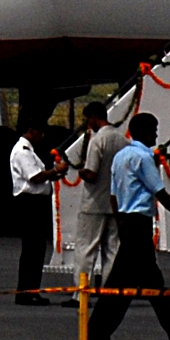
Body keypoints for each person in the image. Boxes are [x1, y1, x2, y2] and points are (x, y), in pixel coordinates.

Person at [86, 112, 170, 340]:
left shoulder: (121, 157)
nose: (156, 134)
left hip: (128, 223)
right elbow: (160, 194)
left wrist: (120, 221)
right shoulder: (143, 158)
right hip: (139, 225)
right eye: (154, 129)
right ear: (143, 132)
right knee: (122, 288)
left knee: (150, 284)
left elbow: (113, 194)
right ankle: (96, 335)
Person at [63, 101, 127, 282]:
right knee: (112, 249)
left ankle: (81, 294)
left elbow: (91, 173)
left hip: (94, 203)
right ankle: (109, 291)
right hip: (115, 202)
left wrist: (81, 171)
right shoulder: (122, 139)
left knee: (86, 249)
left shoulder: (98, 140)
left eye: (87, 119)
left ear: (93, 117)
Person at [8, 119, 63, 305]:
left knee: (36, 249)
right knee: (32, 248)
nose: (42, 137)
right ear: (31, 131)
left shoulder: (28, 151)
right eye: (40, 133)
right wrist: (54, 170)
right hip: (30, 202)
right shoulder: (23, 152)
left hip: (35, 201)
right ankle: (26, 291)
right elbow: (35, 177)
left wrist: (54, 174)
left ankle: (31, 289)